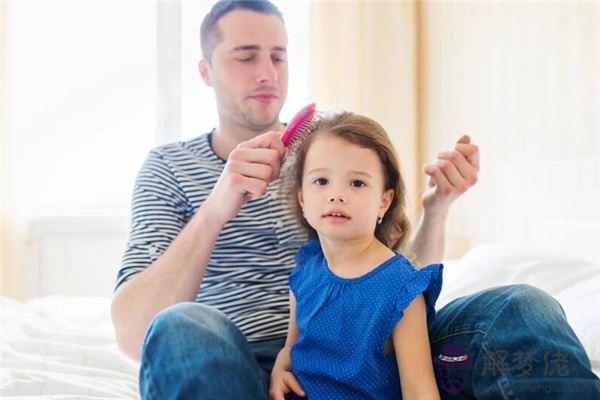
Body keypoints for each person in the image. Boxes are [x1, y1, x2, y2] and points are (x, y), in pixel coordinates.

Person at [109, 1, 600, 399]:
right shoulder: (168, 169)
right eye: (245, 56)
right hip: (237, 368)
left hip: (373, 358)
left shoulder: (326, 152)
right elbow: (136, 333)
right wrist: (220, 202)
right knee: (181, 327)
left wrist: (436, 211)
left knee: (520, 306)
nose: (267, 73)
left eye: (278, 56)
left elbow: (397, 289)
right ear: (205, 70)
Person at [269, 111, 443, 400]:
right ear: (302, 198)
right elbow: (292, 348)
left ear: (383, 202)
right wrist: (278, 369)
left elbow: (419, 389)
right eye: (321, 181)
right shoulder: (305, 271)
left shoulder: (401, 287)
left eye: (357, 183)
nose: (336, 195)